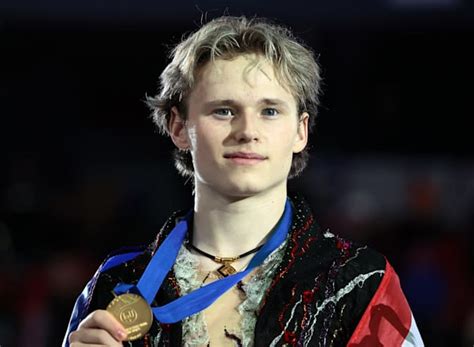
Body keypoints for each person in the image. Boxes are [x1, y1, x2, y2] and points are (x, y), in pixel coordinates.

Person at [64, 16, 424, 346]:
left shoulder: (359, 282)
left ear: (301, 132)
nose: (248, 131)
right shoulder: (118, 284)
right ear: (178, 127)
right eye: (224, 110)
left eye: (269, 111)